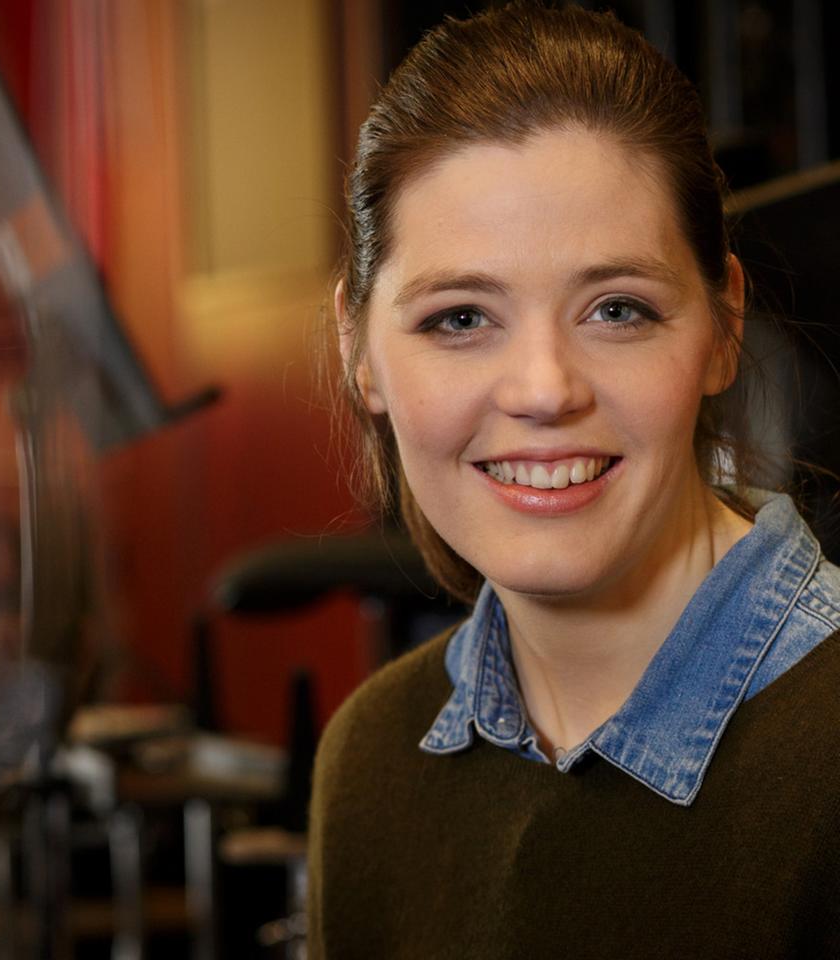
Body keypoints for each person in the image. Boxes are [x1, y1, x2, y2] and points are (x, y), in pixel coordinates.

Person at [309, 4, 840, 957]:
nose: (546, 390)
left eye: (617, 309)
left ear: (724, 324)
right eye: (460, 319)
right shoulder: (371, 760)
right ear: (360, 348)